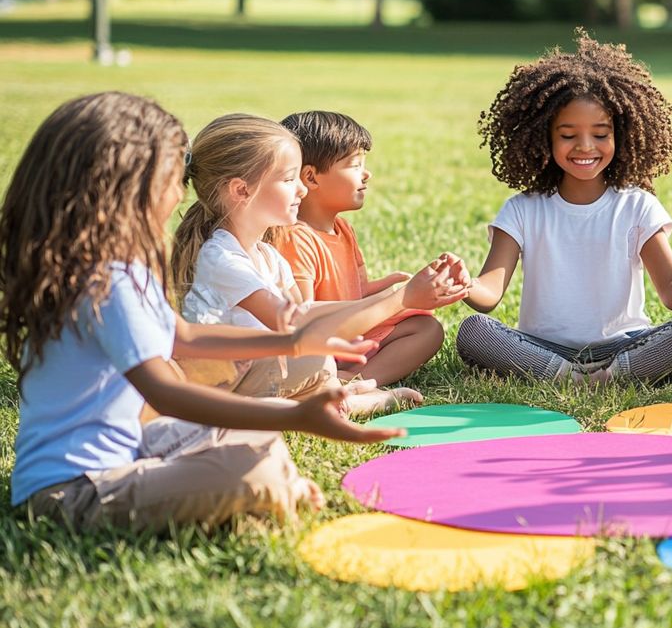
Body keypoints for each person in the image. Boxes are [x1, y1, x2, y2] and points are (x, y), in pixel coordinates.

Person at [2, 92, 404, 532]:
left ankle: (264, 484)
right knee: (247, 466)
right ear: (124, 189)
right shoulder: (102, 283)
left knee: (255, 442)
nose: (179, 194)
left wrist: (291, 341)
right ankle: (262, 486)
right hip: (73, 490)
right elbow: (165, 394)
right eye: (171, 180)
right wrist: (293, 415)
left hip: (133, 449)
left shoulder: (120, 269)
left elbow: (185, 339)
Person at [456, 31, 672, 384]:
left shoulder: (637, 205)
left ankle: (606, 376)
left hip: (624, 346)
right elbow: (488, 295)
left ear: (621, 135)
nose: (585, 147)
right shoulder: (522, 210)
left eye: (600, 134)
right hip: (543, 348)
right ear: (542, 137)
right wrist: (464, 284)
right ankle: (571, 376)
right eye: (568, 136)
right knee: (474, 331)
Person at [170, 113, 468, 415]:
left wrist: (401, 299)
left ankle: (339, 397)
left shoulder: (268, 256)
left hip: (259, 370)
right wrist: (399, 299)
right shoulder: (222, 258)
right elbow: (296, 325)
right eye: (289, 180)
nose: (300, 189)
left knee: (317, 353)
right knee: (314, 354)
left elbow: (308, 312)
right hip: (225, 382)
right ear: (241, 190)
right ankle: (341, 399)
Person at [272, 109, 444, 387]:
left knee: (426, 328)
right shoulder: (295, 238)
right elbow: (302, 319)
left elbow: (357, 291)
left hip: (351, 336)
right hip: (317, 347)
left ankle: (354, 379)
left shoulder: (343, 229)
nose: (367, 174)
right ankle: (355, 381)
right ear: (311, 178)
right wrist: (396, 298)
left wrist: (403, 289)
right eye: (354, 165)